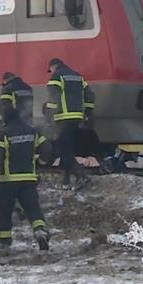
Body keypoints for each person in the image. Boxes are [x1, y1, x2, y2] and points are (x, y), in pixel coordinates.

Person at [0, 107, 53, 253]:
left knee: (4, 211)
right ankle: (40, 230)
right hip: (28, 179)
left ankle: (5, 240)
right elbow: (47, 149)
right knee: (33, 208)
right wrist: (41, 161)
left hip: (8, 181)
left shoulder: (3, 134)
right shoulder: (32, 131)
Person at [44, 58, 94, 189]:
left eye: (51, 70)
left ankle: (80, 175)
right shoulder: (77, 76)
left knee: (63, 149)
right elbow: (90, 94)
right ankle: (65, 181)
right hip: (77, 117)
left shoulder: (56, 76)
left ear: (54, 67)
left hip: (62, 118)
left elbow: (53, 98)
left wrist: (49, 117)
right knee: (67, 148)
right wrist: (88, 112)